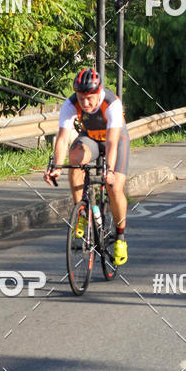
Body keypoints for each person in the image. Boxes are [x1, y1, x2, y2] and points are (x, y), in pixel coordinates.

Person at [44, 68, 130, 266]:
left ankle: (120, 237)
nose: (85, 103)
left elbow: (111, 143)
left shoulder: (112, 104)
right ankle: (82, 213)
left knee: (115, 186)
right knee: (75, 159)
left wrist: (108, 169)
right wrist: (57, 166)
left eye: (90, 98)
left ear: (98, 93)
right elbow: (63, 138)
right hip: (90, 137)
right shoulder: (70, 104)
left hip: (115, 140)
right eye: (81, 98)